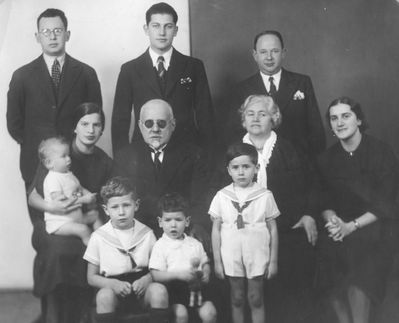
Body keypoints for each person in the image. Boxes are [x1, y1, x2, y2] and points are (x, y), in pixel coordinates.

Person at [314, 97, 398, 323]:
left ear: (359, 120)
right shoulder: (325, 160)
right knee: (327, 273)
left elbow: (386, 202)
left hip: (375, 228)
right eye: (334, 118)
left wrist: (352, 226)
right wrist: (334, 222)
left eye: (346, 116)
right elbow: (323, 200)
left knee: (358, 278)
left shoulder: (381, 152)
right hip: (339, 228)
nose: (339, 123)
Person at [28, 102, 112, 323]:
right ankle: (55, 316)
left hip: (82, 217)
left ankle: (84, 314)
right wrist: (55, 207)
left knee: (96, 246)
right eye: (84, 124)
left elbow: (105, 198)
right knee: (58, 251)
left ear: (103, 129)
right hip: (56, 222)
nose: (90, 130)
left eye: (97, 125)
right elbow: (33, 196)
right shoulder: (58, 151)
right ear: (75, 127)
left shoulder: (104, 161)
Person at [7, 8, 102, 188]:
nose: (52, 37)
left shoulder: (86, 74)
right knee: (39, 215)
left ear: (67, 34)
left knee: (76, 214)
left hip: (77, 162)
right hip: (35, 163)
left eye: (58, 31)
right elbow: (14, 122)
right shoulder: (22, 76)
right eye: (46, 32)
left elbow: (94, 119)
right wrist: (36, 144)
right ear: (37, 37)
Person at [112, 2, 214, 153]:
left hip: (187, 152)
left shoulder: (193, 67)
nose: (162, 32)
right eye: (156, 26)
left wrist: (207, 157)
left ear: (176, 30)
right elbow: (120, 122)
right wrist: (122, 161)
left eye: (168, 26)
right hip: (143, 153)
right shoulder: (129, 70)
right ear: (146, 29)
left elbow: (206, 117)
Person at [113, 99, 211, 241]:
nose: (155, 129)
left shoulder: (193, 155)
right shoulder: (125, 157)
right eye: (148, 123)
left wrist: (196, 225)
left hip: (180, 231)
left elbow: (200, 199)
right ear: (140, 126)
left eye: (161, 123)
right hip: (139, 233)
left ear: (173, 125)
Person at [225, 30, 325, 161]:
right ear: (255, 55)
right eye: (263, 52)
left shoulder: (301, 82)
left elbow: (316, 130)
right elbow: (234, 133)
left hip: (297, 161)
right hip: (257, 161)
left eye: (275, 51)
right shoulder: (242, 89)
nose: (269, 57)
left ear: (283, 53)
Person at [210, 143, 279, 323]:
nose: (241, 172)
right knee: (237, 297)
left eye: (246, 167)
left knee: (255, 298)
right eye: (236, 167)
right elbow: (216, 230)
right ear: (228, 170)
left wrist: (273, 261)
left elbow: (273, 229)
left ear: (256, 168)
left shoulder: (265, 195)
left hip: (256, 253)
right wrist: (217, 262)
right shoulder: (222, 196)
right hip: (231, 254)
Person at [84, 177, 169, 323]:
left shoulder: (147, 234)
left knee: (159, 291)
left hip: (142, 288)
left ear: (136, 205)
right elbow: (91, 277)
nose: (121, 212)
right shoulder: (98, 237)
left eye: (126, 205)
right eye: (115, 207)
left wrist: (147, 279)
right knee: (104, 296)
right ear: (106, 210)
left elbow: (159, 268)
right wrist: (112, 284)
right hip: (113, 289)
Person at [149, 192, 217, 323]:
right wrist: (179, 275)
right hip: (174, 293)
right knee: (181, 314)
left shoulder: (194, 243)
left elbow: (205, 262)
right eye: (168, 220)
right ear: (160, 222)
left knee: (210, 312)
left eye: (178, 220)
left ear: (187, 221)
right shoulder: (160, 246)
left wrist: (206, 272)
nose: (173, 225)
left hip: (197, 291)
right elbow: (156, 275)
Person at [38, 136, 99, 245]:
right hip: (60, 223)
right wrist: (83, 199)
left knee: (95, 215)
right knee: (83, 230)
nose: (69, 159)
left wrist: (88, 194)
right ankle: (93, 255)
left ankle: (104, 241)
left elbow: (79, 187)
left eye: (68, 155)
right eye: (63, 156)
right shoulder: (52, 179)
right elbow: (62, 203)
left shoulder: (69, 174)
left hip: (75, 218)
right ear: (49, 163)